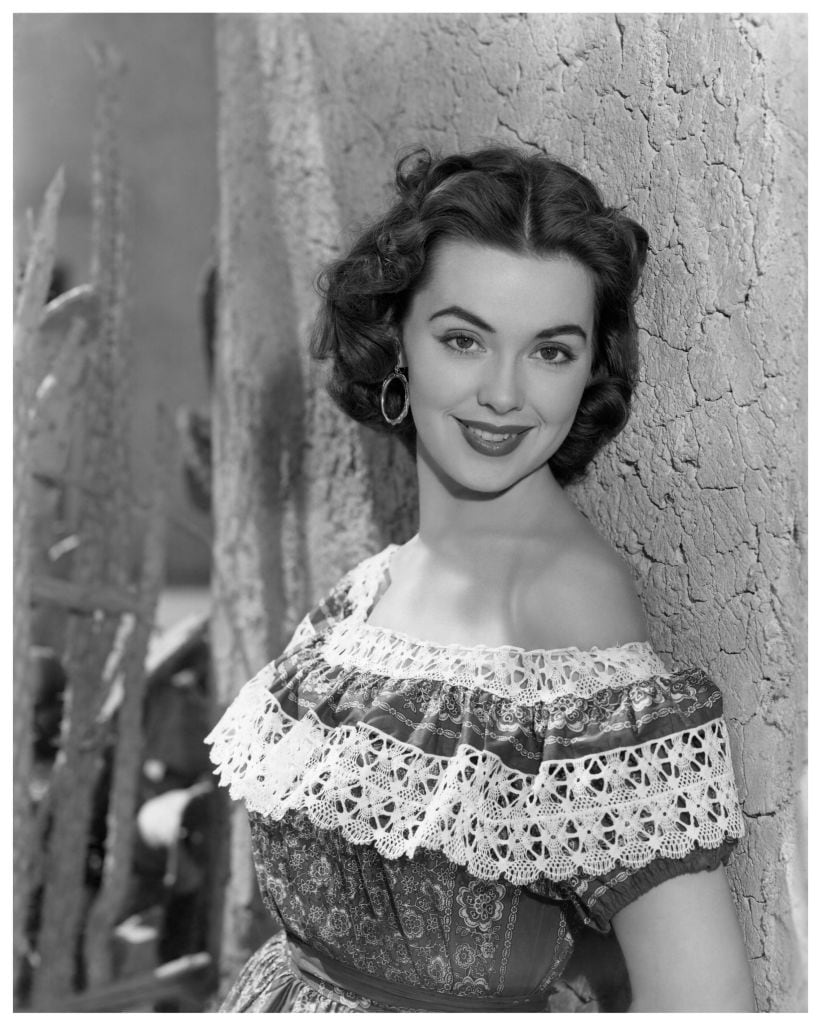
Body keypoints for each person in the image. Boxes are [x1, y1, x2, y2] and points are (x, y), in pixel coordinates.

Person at [206, 146, 755, 1012]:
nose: (502, 393)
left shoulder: (568, 616)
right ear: (397, 344)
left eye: (549, 351)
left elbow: (703, 1001)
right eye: (463, 339)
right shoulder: (365, 595)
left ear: (588, 371)